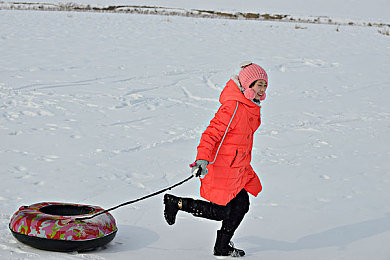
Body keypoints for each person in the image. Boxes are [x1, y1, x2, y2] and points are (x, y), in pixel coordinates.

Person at [163, 61, 268, 257]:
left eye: (264, 85)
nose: (261, 89)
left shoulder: (250, 106)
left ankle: (222, 246)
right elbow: (211, 134)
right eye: (258, 84)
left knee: (240, 205)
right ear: (247, 85)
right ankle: (176, 203)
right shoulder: (234, 107)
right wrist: (202, 159)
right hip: (223, 167)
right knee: (225, 211)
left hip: (238, 167)